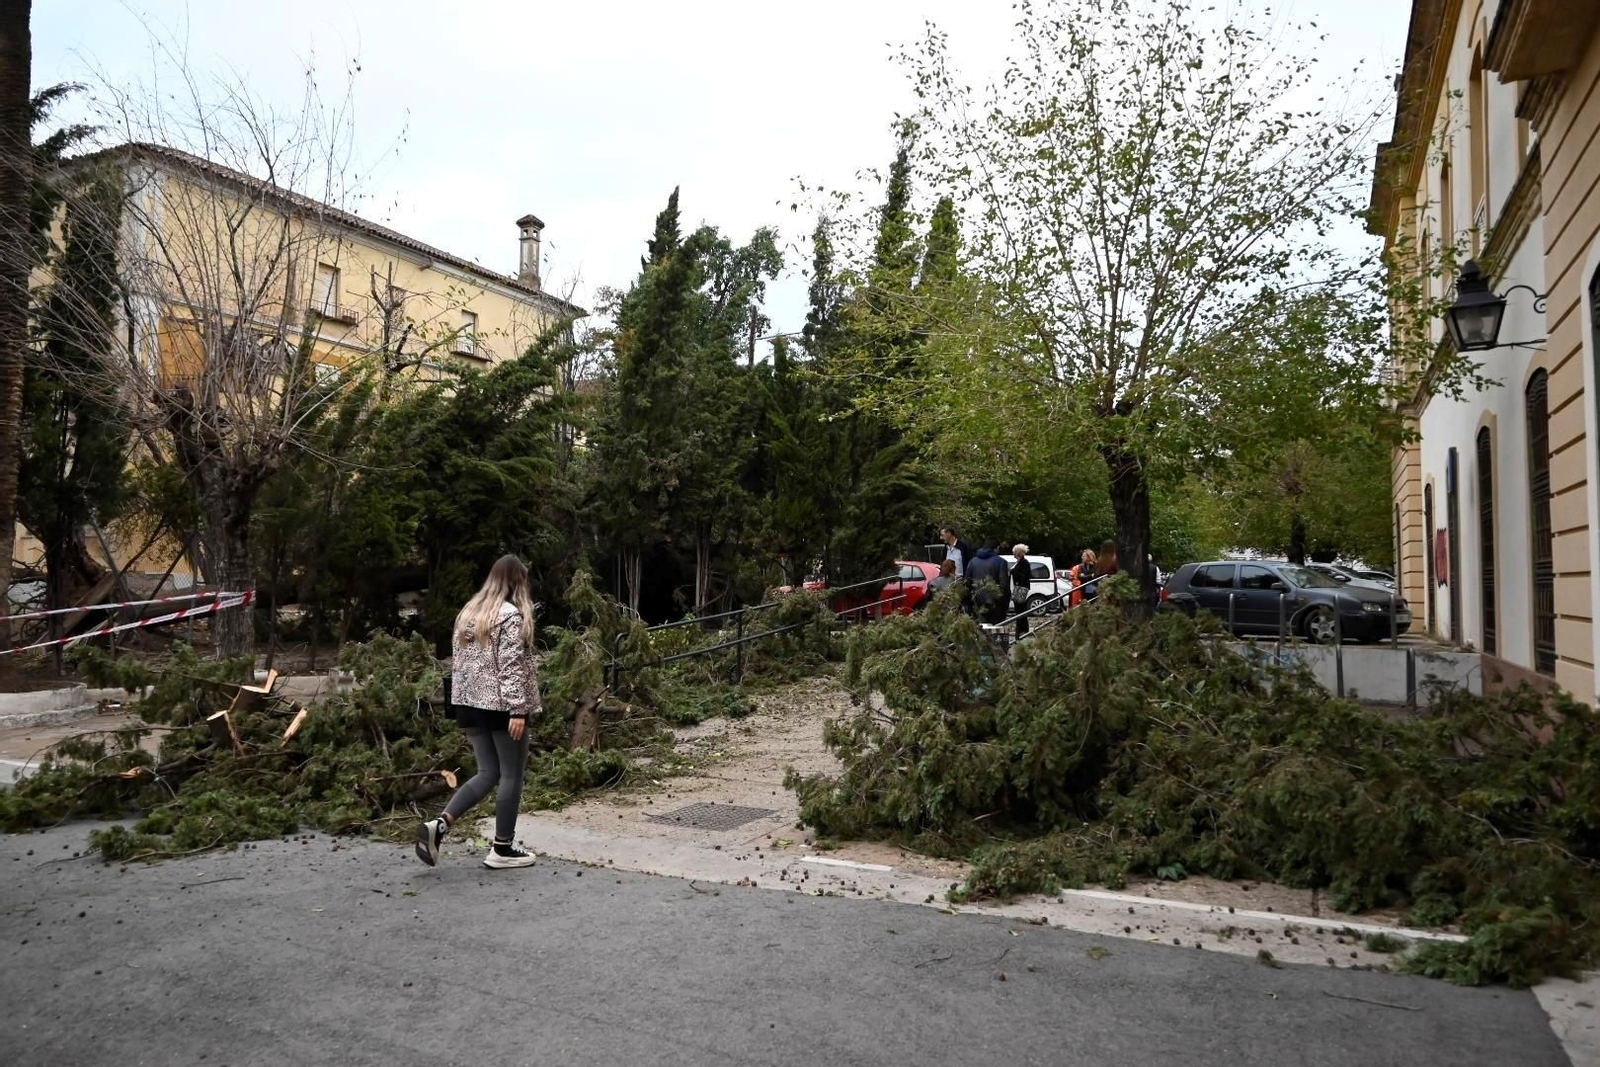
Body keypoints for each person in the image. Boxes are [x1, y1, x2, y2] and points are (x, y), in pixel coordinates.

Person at [416, 555, 541, 870]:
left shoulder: (468, 613)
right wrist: (517, 710)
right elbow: (511, 666)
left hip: (469, 706)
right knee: (511, 774)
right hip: (502, 707)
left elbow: (460, 665)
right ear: (516, 582)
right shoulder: (510, 615)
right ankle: (502, 848)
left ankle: (440, 825)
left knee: (488, 773)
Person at [966, 541, 1011, 624]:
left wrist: (969, 603)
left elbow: (967, 583)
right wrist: (1005, 603)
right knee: (995, 630)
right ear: (996, 548)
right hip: (995, 603)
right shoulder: (1001, 562)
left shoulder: (972, 562)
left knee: (979, 630)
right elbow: (1004, 584)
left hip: (976, 601)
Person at [1010, 544, 1033, 637]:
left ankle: (1021, 630)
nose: (1013, 554)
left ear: (1019, 552)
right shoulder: (1019, 562)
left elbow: (1023, 575)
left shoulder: (1024, 563)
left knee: (1020, 609)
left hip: (1021, 588)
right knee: (1019, 609)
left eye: (1014, 552)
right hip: (1018, 587)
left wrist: (1012, 572)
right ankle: (1022, 629)